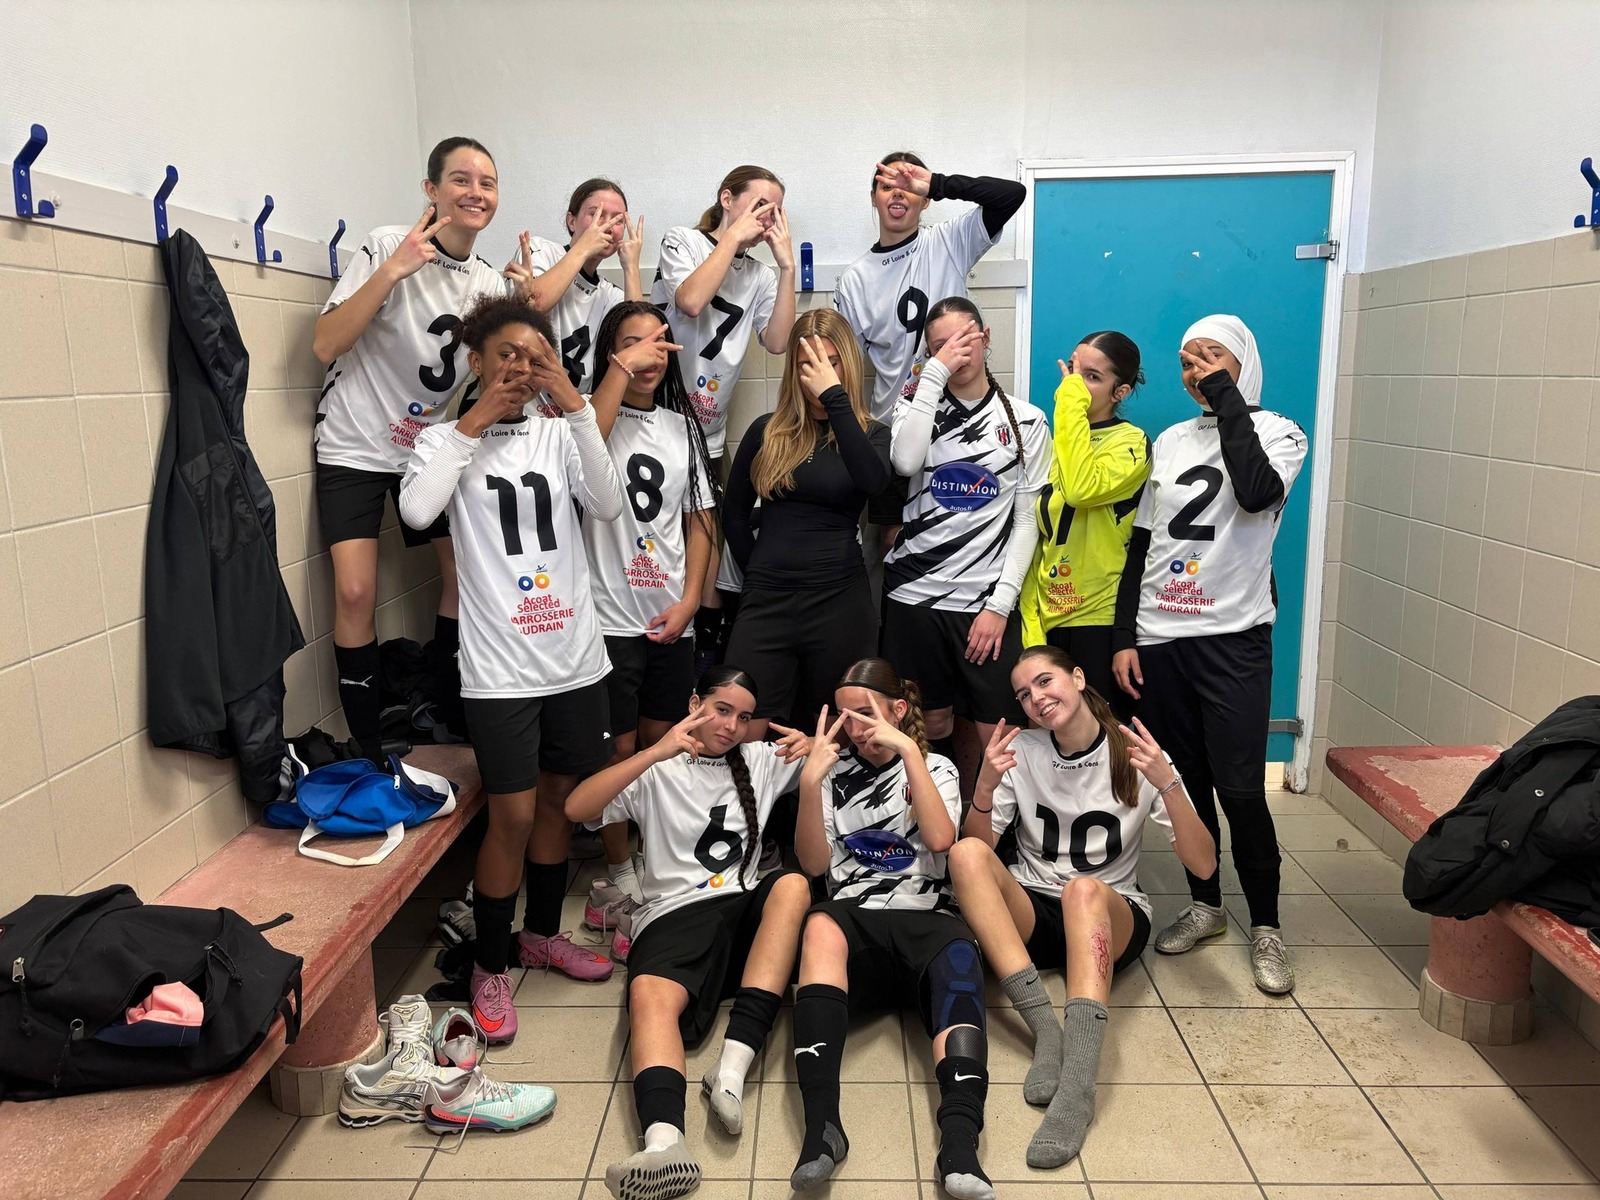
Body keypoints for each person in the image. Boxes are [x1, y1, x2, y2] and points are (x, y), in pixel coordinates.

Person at [399, 295, 624, 1038]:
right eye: (507, 356)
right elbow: (417, 513)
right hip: (499, 669)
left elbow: (607, 503)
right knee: (514, 815)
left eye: (536, 357)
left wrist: (576, 404)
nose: (521, 369)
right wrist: (471, 423)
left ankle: (542, 935)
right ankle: (490, 964)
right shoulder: (443, 441)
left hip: (575, 660)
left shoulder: (560, 434)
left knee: (561, 803)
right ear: (476, 361)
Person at [948, 645, 1216, 1168]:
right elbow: (978, 846)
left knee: (1083, 889)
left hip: (1109, 916)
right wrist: (984, 786)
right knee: (964, 854)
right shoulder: (1023, 749)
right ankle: (1046, 1031)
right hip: (1036, 908)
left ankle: (1077, 1086)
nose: (1035, 699)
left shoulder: (1135, 752)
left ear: (1076, 676)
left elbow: (1204, 865)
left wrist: (1168, 783)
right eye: (1023, 694)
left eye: (1044, 682)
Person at [1110, 315, 1308, 995]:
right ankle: (1207, 905)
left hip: (1234, 637)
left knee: (1242, 790)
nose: (1196, 370)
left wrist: (1226, 397)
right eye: (1188, 361)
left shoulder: (1279, 432)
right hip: (1161, 636)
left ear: (1243, 362)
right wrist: (1125, 635)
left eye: (1212, 357)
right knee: (1186, 784)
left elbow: (1255, 492)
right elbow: (1142, 546)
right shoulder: (1169, 440)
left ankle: (1268, 926)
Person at [565, 667, 813, 1200]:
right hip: (672, 914)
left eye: (744, 717)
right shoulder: (658, 768)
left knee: (792, 885)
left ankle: (731, 1070)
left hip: (744, 912)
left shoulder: (759, 759)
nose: (731, 727)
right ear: (695, 702)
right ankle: (664, 1143)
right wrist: (653, 752)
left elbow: (842, 757)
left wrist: (813, 745)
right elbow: (576, 808)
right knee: (649, 997)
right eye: (721, 710)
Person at [311, 136, 510, 758]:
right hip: (353, 444)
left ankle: (448, 714)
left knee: (465, 577)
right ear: (432, 189)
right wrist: (393, 271)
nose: (474, 192)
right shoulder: (386, 244)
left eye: (486, 182)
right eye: (460, 179)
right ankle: (369, 748)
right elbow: (324, 344)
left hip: (426, 451)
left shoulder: (489, 281)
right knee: (355, 593)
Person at [791, 658, 994, 1199]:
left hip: (925, 916)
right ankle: (822, 1129)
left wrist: (908, 752)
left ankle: (960, 1141)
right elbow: (814, 865)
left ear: (899, 709)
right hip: (854, 918)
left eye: (866, 713)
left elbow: (942, 840)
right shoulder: (831, 772)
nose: (855, 728)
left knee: (960, 952)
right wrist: (809, 784)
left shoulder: (937, 766)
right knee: (819, 924)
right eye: (845, 717)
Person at [581, 300, 720, 936]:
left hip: (669, 616)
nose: (647, 356)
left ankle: (655, 857)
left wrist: (691, 599)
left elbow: (700, 520)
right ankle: (619, 869)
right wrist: (618, 372)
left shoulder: (681, 425)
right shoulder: (585, 417)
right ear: (612, 353)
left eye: (657, 344)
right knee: (617, 749)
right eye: (632, 344)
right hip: (605, 619)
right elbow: (589, 445)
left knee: (664, 749)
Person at [832, 154, 1026, 580]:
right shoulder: (854, 279)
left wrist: (938, 182)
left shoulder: (948, 241)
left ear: (924, 200)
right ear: (873, 198)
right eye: (887, 186)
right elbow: (844, 368)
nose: (898, 194)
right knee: (891, 544)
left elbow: (1011, 194)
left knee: (956, 535)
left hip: (957, 426)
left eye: (908, 186)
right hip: (893, 429)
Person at [881, 296, 1050, 784]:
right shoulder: (915, 407)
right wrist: (933, 373)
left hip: (985, 603)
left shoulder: (1027, 421)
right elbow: (906, 462)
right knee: (928, 724)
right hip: (914, 597)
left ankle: (987, 825)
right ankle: (934, 818)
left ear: (986, 336)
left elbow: (1027, 522)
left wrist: (1000, 606)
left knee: (999, 732)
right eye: (941, 345)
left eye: (964, 338)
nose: (956, 351)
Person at [652, 165, 798, 670]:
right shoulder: (683, 241)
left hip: (709, 430)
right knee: (663, 534)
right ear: (727, 199)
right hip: (659, 423)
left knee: (708, 533)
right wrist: (733, 236)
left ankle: (706, 643)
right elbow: (691, 301)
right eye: (759, 205)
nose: (767, 219)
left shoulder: (758, 274)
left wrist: (786, 268)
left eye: (776, 211)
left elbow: (778, 342)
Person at [722, 309, 891, 737]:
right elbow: (734, 515)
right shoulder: (766, 432)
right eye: (806, 364)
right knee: (744, 725)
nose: (817, 373)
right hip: (768, 600)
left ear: (847, 364)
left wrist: (835, 399)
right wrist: (758, 571)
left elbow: (873, 483)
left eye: (830, 362)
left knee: (837, 731)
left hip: (839, 602)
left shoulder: (871, 434)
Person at [1019, 334, 1152, 721]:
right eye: (1075, 371)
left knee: (1105, 739)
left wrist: (1068, 404)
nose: (1076, 384)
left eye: (1092, 377)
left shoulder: (1131, 442)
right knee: (1054, 739)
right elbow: (1037, 536)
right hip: (1050, 616)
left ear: (1120, 392)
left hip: (1099, 617)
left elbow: (1080, 489)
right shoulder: (1054, 444)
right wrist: (1032, 623)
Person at [502, 177, 645, 393]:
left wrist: (631, 267)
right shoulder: (541, 250)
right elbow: (536, 303)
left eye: (618, 220)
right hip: (523, 400)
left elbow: (638, 347)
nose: (607, 225)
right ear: (571, 221)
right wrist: (584, 247)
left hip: (574, 408)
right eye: (595, 214)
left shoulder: (610, 294)